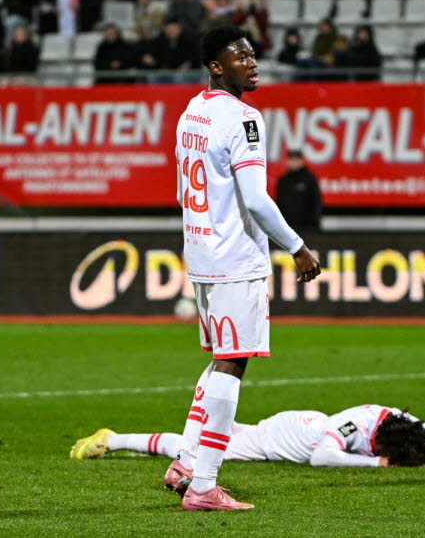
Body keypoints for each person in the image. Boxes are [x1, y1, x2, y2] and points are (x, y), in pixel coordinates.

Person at [167, 26, 322, 511]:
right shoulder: (245, 119)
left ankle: (186, 462)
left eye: (253, 55)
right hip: (235, 259)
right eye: (240, 56)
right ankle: (204, 486)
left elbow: (180, 190)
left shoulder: (191, 112)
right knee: (233, 364)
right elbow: (256, 198)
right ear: (217, 66)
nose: (252, 63)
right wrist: (297, 247)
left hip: (202, 253)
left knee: (219, 357)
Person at [71, 404, 425, 467]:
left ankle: (211, 419)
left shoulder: (406, 424)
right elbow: (322, 458)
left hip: (294, 422)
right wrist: (376, 463)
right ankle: (115, 438)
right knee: (199, 452)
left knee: (214, 433)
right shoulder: (355, 426)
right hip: (275, 439)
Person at [275, 150, 323, 233]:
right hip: (288, 228)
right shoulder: (283, 181)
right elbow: (279, 203)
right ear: (287, 161)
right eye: (291, 159)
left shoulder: (309, 178)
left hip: (308, 228)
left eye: (296, 159)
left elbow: (316, 201)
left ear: (301, 161)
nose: (294, 162)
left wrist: (315, 222)